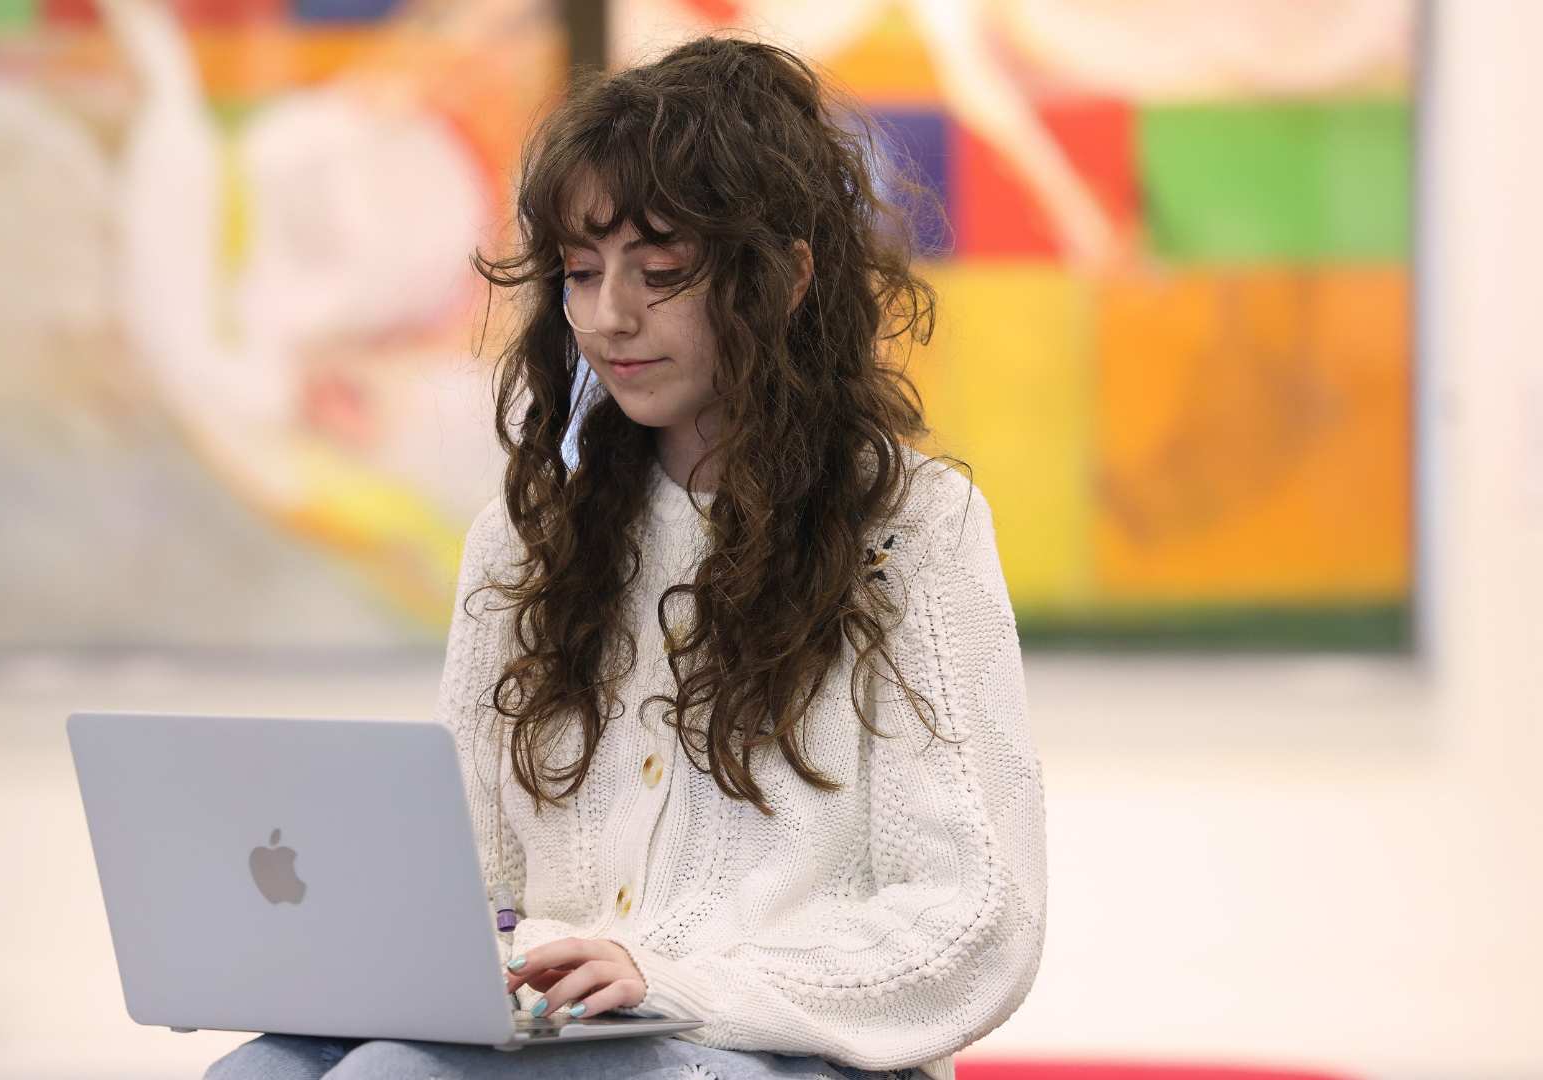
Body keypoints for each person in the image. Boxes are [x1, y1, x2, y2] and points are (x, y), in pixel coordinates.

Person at [207, 34, 1046, 1080]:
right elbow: (475, 888)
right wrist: (383, 969)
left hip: (780, 1050)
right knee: (258, 1073)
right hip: (571, 1035)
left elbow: (975, 920)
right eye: (580, 272)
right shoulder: (522, 541)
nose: (608, 318)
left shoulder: (912, 528)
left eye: (660, 274)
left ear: (785, 277)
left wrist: (671, 981)